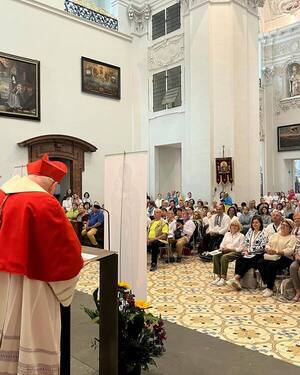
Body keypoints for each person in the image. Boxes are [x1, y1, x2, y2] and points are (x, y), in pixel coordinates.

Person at [0, 154, 83, 375]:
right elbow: (68, 254)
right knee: (34, 332)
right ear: (53, 183)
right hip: (36, 283)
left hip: (5, 278)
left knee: (7, 324)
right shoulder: (44, 202)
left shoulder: (3, 195)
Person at [257, 218, 297, 297]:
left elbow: (290, 250)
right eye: (282, 225)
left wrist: (277, 252)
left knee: (271, 265)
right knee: (260, 262)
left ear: (290, 228)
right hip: (273, 256)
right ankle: (268, 283)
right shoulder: (276, 235)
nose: (283, 227)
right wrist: (268, 249)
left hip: (285, 258)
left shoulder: (292, 238)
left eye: (285, 226)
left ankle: (270, 288)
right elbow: (268, 243)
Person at [227, 215, 267, 290]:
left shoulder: (264, 232)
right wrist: (246, 250)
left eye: (256, 222)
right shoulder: (250, 231)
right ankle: (237, 280)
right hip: (248, 252)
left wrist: (250, 250)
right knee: (239, 259)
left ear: (260, 223)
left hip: (258, 254)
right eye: (253, 223)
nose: (254, 224)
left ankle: (236, 278)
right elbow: (246, 242)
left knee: (248, 260)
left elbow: (262, 247)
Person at [212, 220, 244, 286]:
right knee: (216, 255)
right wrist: (221, 248)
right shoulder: (227, 234)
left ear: (238, 227)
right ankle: (219, 276)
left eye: (236, 225)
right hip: (225, 250)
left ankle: (223, 277)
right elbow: (222, 244)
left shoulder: (241, 236)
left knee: (224, 257)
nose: (234, 227)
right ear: (230, 226)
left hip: (235, 252)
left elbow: (241, 248)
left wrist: (230, 249)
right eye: (232, 225)